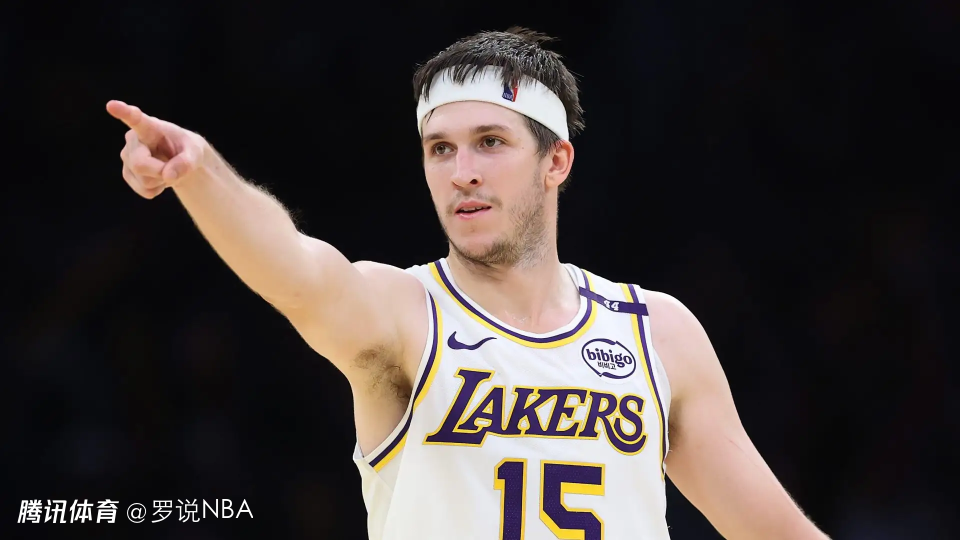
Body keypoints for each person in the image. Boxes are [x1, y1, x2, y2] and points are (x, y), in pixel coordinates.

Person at [107, 26, 830, 540]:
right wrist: (199, 172)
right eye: (440, 149)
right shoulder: (406, 313)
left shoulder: (657, 332)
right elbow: (292, 266)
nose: (463, 173)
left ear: (556, 162)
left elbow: (775, 532)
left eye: (490, 143)